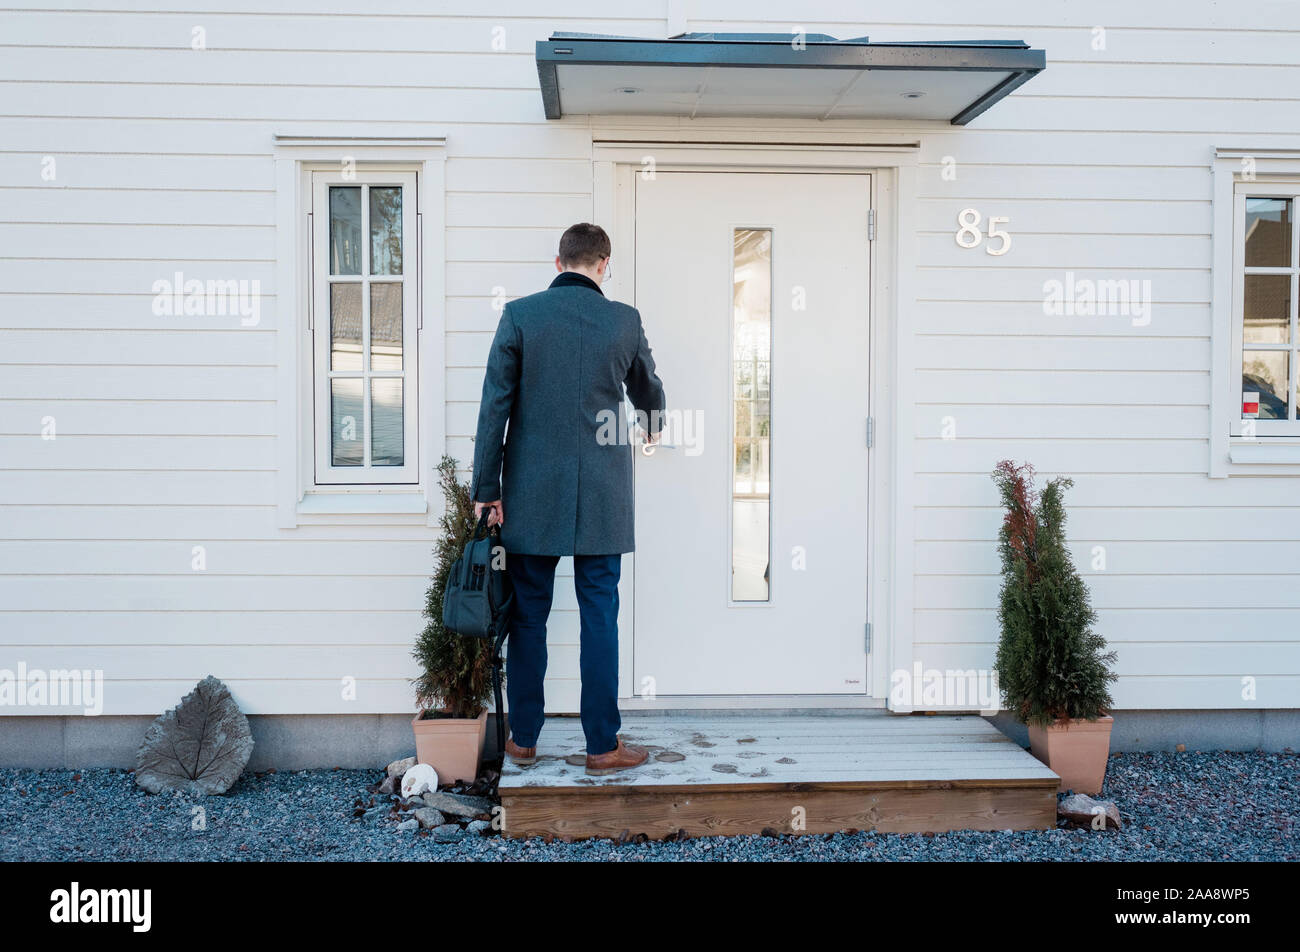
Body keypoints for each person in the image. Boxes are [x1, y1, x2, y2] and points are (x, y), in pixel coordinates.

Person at [469, 222, 665, 776]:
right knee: (599, 614)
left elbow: (494, 411)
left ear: (559, 263)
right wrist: (652, 423)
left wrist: (487, 491)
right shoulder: (623, 320)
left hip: (531, 493)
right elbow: (647, 390)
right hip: (602, 493)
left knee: (529, 615)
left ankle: (522, 742)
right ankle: (603, 747)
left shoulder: (520, 316)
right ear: (604, 264)